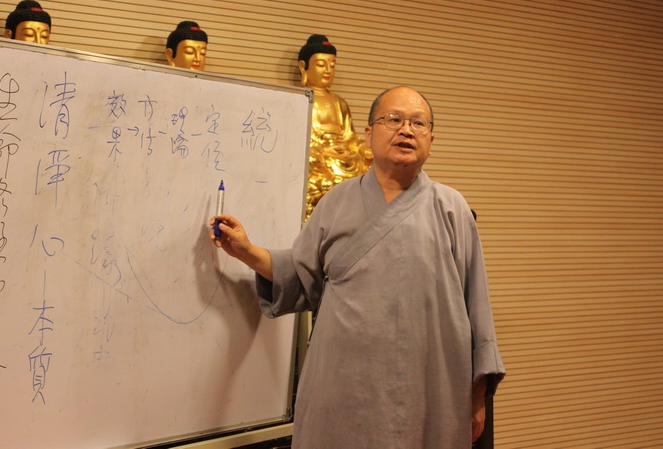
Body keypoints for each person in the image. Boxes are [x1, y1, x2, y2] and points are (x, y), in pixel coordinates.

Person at [210, 86, 505, 447]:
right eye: (393, 119)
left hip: (429, 387)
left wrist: (477, 395)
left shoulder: (452, 208)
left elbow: (478, 306)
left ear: (431, 139)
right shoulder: (336, 202)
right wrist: (245, 251)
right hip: (344, 386)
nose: (406, 130)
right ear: (368, 134)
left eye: (418, 123)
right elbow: (299, 274)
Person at [298, 35, 372, 218]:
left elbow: (350, 136)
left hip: (341, 155)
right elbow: (297, 138)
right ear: (303, 67)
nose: (328, 70)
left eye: (332, 65)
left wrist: (361, 148)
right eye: (321, 65)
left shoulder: (339, 102)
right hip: (319, 155)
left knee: (369, 161)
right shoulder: (299, 99)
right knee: (309, 160)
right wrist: (323, 151)